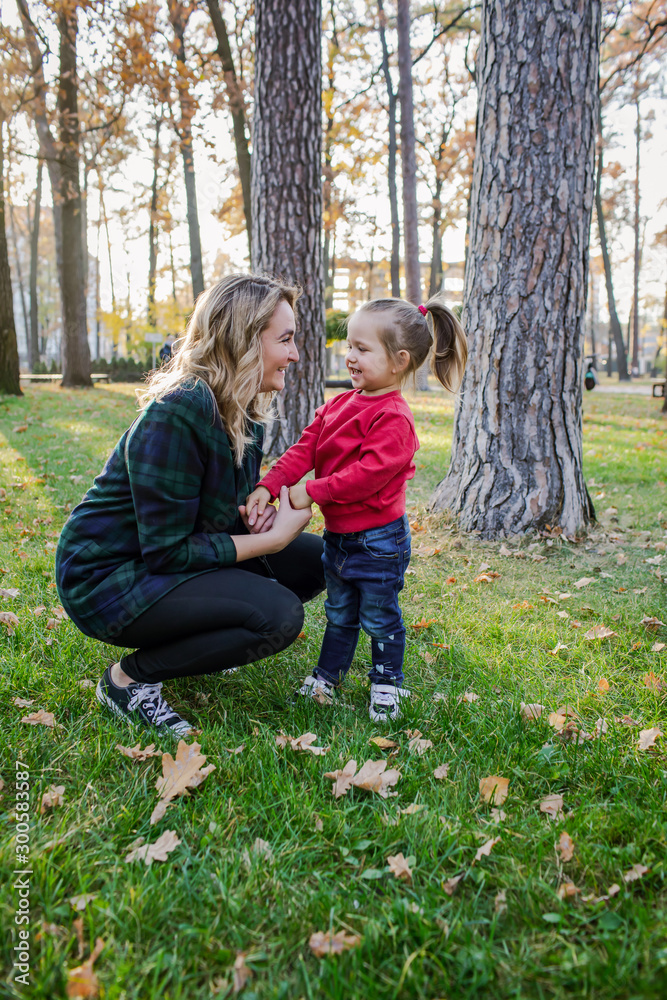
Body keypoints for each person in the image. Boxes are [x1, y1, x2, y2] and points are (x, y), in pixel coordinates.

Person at [55, 274, 324, 736]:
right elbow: (166, 552)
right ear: (243, 339)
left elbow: (217, 511)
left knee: (316, 559)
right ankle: (128, 682)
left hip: (162, 561)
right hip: (109, 580)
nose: (295, 354)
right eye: (285, 339)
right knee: (279, 616)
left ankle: (206, 642)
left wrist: (255, 512)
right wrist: (272, 538)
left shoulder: (244, 413)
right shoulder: (179, 409)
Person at [245, 296, 467, 722]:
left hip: (379, 540)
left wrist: (313, 491)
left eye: (362, 349)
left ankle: (386, 682)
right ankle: (327, 677)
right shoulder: (340, 404)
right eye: (349, 346)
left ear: (400, 361)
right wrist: (268, 485)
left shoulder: (394, 418)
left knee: (379, 614)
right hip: (341, 538)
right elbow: (305, 447)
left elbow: (368, 475)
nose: (349, 357)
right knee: (340, 611)